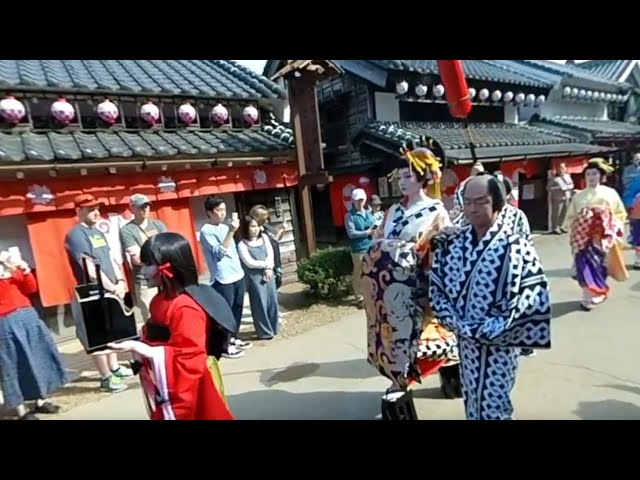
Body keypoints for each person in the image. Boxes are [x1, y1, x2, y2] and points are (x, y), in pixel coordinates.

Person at [429, 174, 552, 420]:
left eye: (481, 201)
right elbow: (438, 287)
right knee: (472, 397)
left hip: (499, 341)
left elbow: (529, 297)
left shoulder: (515, 245)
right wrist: (456, 322)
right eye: (468, 201)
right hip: (465, 339)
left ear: (497, 202)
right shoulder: (453, 242)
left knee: (495, 403)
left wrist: (487, 328)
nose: (472, 208)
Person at [363, 138, 461, 416]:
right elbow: (378, 240)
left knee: (421, 340)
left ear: (423, 179)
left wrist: (423, 252)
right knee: (390, 336)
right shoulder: (393, 211)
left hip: (418, 286)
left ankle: (420, 379)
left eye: (408, 176)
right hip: (389, 289)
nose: (402, 182)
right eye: (400, 176)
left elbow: (444, 251)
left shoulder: (436, 211)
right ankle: (398, 380)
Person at [107, 232, 235, 420]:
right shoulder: (160, 300)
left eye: (148, 264)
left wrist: (142, 349)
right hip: (166, 381)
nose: (143, 271)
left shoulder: (186, 307)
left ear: (168, 266)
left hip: (193, 389)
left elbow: (191, 359)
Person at [65, 194, 134, 393]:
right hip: (94, 291)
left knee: (112, 330)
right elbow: (87, 264)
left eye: (97, 208)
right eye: (89, 209)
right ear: (78, 211)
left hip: (112, 286)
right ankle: (105, 376)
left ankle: (115, 367)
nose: (95, 212)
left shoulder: (98, 231)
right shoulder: (76, 234)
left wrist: (120, 281)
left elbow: (111, 258)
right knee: (97, 336)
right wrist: (109, 287)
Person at [0, 250, 68, 420]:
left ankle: (40, 399)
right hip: (5, 320)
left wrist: (23, 269)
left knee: (38, 357)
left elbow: (31, 288)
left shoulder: (9, 264)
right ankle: (21, 410)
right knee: (13, 364)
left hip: (28, 314)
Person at [564, 158, 629, 310]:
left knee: (600, 266)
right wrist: (577, 224)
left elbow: (620, 213)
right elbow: (570, 217)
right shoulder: (579, 196)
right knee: (584, 266)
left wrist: (610, 223)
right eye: (588, 174)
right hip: (583, 238)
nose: (591, 177)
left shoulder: (610, 193)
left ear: (601, 176)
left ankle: (597, 293)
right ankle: (587, 296)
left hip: (601, 239)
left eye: (594, 174)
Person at [200, 196, 252, 359]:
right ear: (209, 213)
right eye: (218, 210)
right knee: (224, 312)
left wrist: (230, 230)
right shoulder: (206, 230)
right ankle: (224, 345)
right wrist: (231, 231)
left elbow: (233, 251)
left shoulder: (224, 227)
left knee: (237, 308)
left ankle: (234, 338)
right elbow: (220, 253)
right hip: (222, 277)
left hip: (237, 273)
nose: (222, 213)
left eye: (224, 209)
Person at [119, 194, 167, 322]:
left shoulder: (158, 225)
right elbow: (138, 259)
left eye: (147, 206)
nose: (145, 209)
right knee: (151, 317)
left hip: (165, 277)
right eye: (141, 206)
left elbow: (169, 247)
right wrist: (159, 254)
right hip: (145, 280)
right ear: (132, 208)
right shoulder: (128, 230)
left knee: (169, 312)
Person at [237, 216, 280, 340]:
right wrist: (265, 265)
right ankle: (264, 332)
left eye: (256, 226)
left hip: (269, 273)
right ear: (246, 228)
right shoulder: (242, 244)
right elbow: (249, 262)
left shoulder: (264, 238)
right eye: (252, 227)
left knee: (272, 300)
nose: (255, 229)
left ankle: (274, 327)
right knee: (259, 303)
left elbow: (270, 254)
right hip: (254, 277)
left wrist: (269, 267)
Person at [345, 188, 375, 307]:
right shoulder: (350, 215)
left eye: (361, 200)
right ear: (353, 200)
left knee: (371, 271)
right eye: (357, 200)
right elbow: (351, 233)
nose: (359, 202)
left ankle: (370, 293)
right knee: (358, 272)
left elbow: (373, 225)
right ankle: (359, 297)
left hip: (371, 246)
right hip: (358, 248)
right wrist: (367, 232)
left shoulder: (368, 212)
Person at [548, 163, 574, 234]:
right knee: (556, 213)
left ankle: (562, 226)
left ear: (565, 169)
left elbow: (572, 185)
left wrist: (567, 187)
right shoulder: (553, 178)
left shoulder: (567, 176)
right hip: (557, 198)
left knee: (564, 213)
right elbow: (548, 188)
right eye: (559, 168)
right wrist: (558, 188)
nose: (560, 170)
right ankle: (555, 227)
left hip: (567, 196)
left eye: (562, 168)